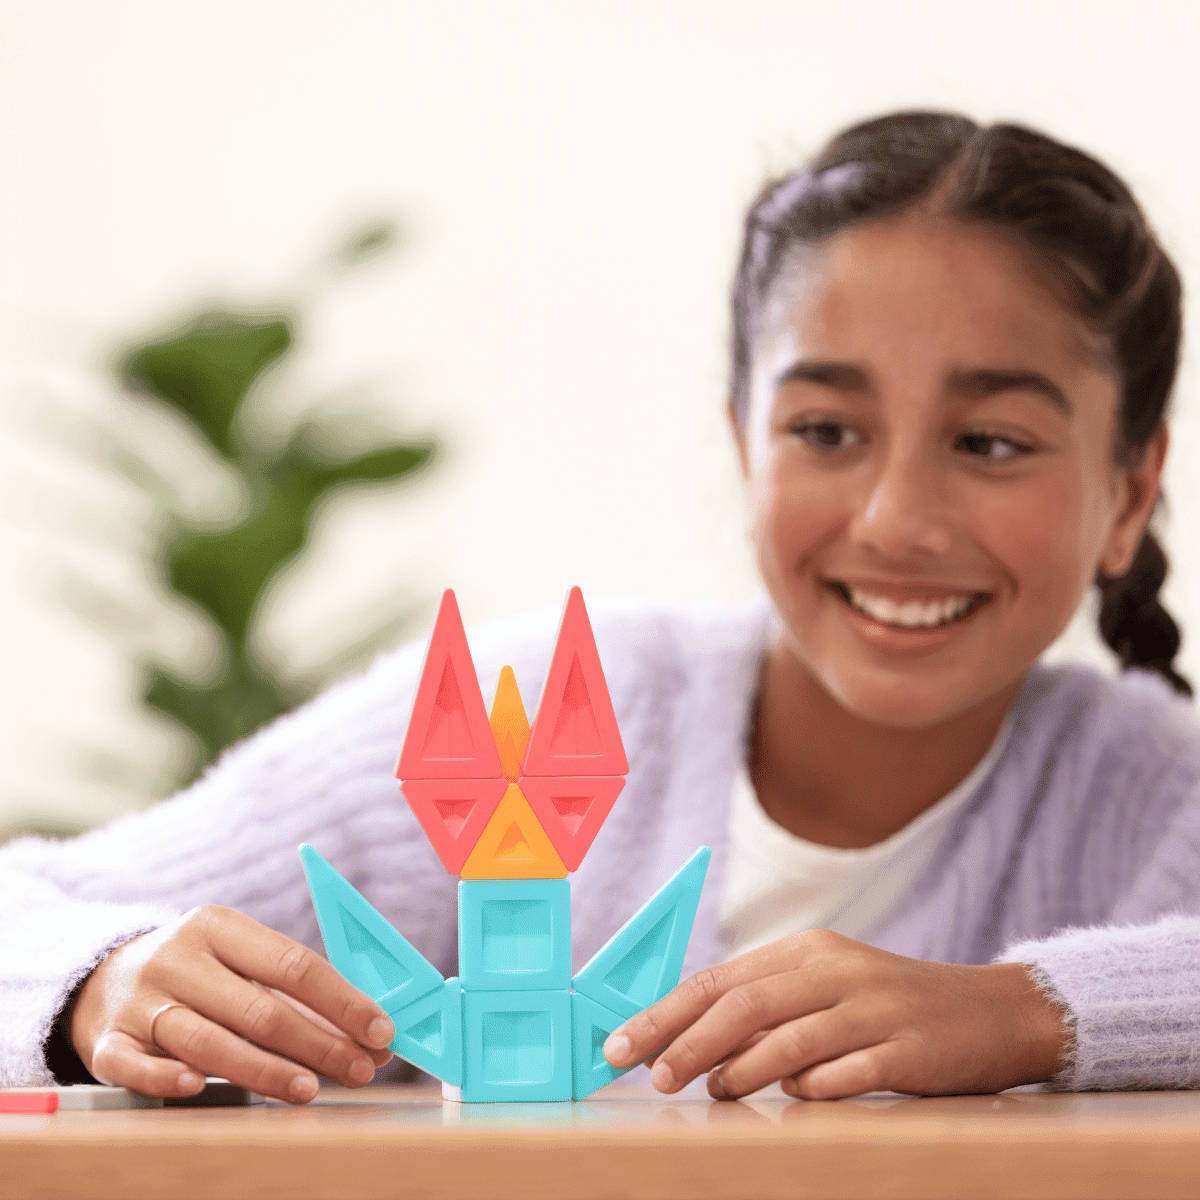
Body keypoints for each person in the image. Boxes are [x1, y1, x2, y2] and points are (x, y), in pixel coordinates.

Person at [2, 108, 1198, 1105]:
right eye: (824, 431)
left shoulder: (1148, 787)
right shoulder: (522, 724)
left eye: (990, 442)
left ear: (1131, 488)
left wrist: (1026, 1011)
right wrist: (100, 980)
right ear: (745, 443)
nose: (894, 517)